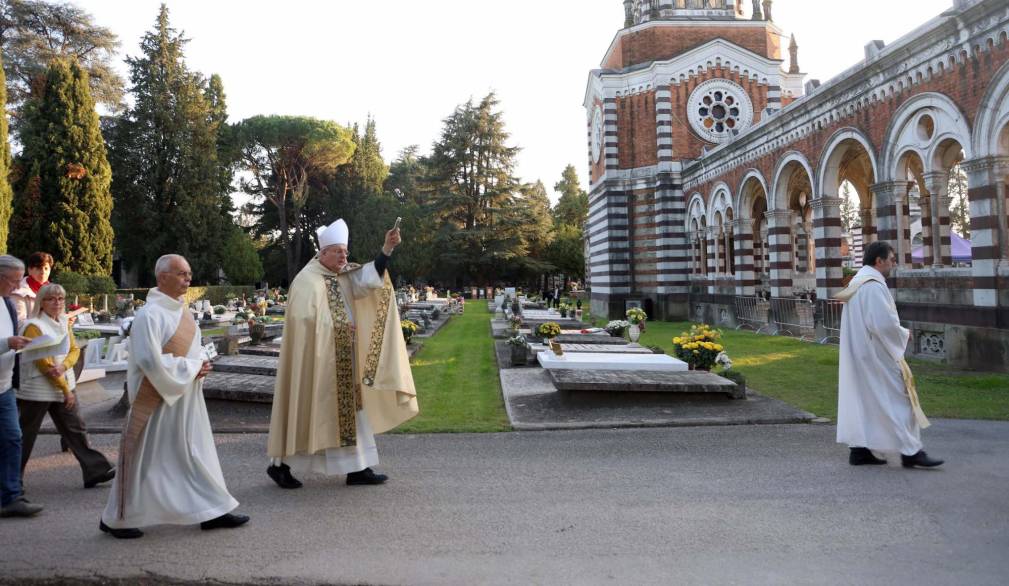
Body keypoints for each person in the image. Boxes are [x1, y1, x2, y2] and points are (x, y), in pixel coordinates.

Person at [100, 255, 248, 538]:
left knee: (196, 452)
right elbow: (149, 361)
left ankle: (212, 510)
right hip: (156, 398)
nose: (188, 278)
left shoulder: (182, 311)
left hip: (186, 396)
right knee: (146, 460)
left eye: (189, 273)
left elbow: (188, 353)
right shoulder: (149, 315)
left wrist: (200, 365)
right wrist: (193, 368)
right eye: (181, 273)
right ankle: (116, 518)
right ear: (161, 277)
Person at [267, 219, 418, 489]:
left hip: (344, 360)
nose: (344, 258)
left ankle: (357, 468)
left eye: (346, 253)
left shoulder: (341, 275)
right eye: (338, 252)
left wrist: (386, 249)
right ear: (322, 253)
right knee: (308, 411)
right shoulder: (307, 281)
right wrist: (337, 327)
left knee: (351, 413)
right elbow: (303, 321)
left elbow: (371, 280)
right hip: (318, 363)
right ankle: (280, 467)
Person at [835, 241, 943, 469]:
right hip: (877, 356)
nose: (893, 264)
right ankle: (911, 451)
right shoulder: (873, 285)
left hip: (862, 354)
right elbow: (882, 324)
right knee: (899, 400)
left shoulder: (858, 281)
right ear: (879, 261)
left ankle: (860, 449)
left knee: (866, 400)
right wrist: (904, 334)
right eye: (892, 260)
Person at [17, 284, 115, 489]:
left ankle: (95, 470)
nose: (57, 303)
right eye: (51, 299)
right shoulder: (33, 325)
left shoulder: (63, 321)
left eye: (61, 299)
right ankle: (10, 480)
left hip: (63, 384)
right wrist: (64, 388)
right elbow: (43, 363)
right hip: (37, 389)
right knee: (26, 436)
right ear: (41, 303)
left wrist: (64, 366)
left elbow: (74, 349)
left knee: (76, 429)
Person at [0, 255, 41, 518]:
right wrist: (7, 343)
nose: (17, 287)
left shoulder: (7, 303)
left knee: (13, 439)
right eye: (14, 281)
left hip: (3, 387)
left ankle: (11, 497)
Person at [10, 252, 53, 322]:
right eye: (39, 268)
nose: (43, 272)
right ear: (29, 270)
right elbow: (20, 323)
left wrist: (64, 321)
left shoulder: (54, 291)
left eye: (46, 268)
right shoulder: (19, 292)